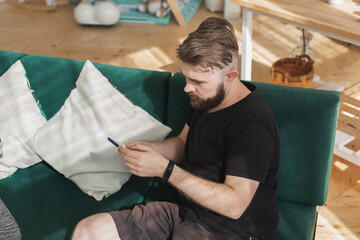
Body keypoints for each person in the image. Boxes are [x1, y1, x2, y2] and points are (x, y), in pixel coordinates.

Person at [72, 16, 280, 240]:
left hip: (227, 230)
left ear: (230, 76)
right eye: (186, 78)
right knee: (88, 232)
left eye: (197, 82)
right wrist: (146, 150)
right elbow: (183, 144)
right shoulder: (207, 97)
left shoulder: (252, 125)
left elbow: (235, 205)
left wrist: (165, 170)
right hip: (185, 212)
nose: (188, 88)